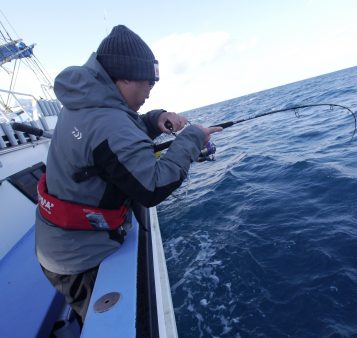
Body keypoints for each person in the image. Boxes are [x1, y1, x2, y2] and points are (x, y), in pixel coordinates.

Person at [35, 24, 222, 327]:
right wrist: (192, 137)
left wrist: (153, 119)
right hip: (80, 258)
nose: (151, 90)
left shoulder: (87, 99)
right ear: (123, 76)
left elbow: (115, 137)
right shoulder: (108, 121)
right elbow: (152, 186)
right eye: (148, 82)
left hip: (56, 241)